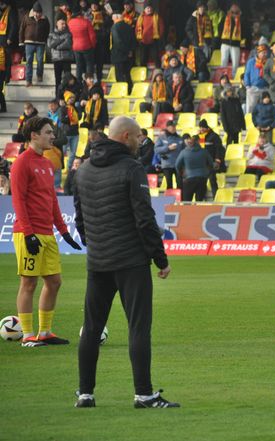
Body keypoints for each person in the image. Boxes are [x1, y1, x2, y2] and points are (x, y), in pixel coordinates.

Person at [74, 116, 179, 409]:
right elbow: (145, 219)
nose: (140, 142)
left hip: (98, 262)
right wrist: (161, 259)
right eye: (137, 137)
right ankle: (144, 394)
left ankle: (85, 394)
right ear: (124, 137)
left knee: (91, 328)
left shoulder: (82, 171)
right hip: (131, 262)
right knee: (138, 328)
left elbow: (79, 219)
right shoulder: (131, 169)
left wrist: (95, 246)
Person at [10, 116, 82, 348]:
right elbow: (18, 200)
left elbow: (52, 201)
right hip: (27, 232)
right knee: (28, 283)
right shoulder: (22, 162)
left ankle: (45, 332)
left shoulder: (47, 163)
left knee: (54, 281)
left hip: (47, 233)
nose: (53, 136)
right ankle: (28, 335)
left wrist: (64, 232)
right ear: (34, 136)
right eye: (48, 132)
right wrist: (29, 233)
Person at [19, 2, 49, 87]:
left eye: (40, 12)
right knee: (29, 61)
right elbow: (22, 29)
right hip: (29, 43)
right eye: (37, 12)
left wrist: (45, 40)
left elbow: (47, 30)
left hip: (40, 43)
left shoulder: (45, 19)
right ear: (34, 11)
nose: (38, 14)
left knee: (40, 60)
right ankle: (29, 80)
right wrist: (21, 41)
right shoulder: (27, 17)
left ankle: (39, 75)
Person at [175, 133, 213, 202]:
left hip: (189, 179)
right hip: (202, 178)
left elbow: (177, 165)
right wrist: (207, 173)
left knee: (187, 202)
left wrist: (181, 174)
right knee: (199, 201)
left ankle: (188, 213)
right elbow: (211, 164)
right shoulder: (204, 151)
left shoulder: (184, 152)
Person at [185, 1, 212, 81]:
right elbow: (187, 29)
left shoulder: (207, 17)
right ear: (198, 8)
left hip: (205, 42)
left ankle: (204, 74)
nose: (202, 9)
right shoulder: (193, 17)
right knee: (197, 60)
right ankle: (198, 75)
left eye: (203, 8)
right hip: (196, 43)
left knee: (205, 59)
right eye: (200, 8)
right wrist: (193, 38)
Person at [68, 4, 96, 82]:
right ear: (81, 13)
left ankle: (78, 81)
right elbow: (92, 36)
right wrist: (93, 45)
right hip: (86, 46)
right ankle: (89, 80)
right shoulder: (86, 22)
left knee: (79, 65)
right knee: (89, 64)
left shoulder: (70, 23)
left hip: (75, 47)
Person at [110, 10, 136, 94]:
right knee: (127, 74)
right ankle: (130, 90)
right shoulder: (128, 26)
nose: (112, 19)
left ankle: (122, 92)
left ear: (117, 17)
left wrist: (125, 51)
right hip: (128, 55)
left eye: (113, 18)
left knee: (119, 75)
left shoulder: (115, 27)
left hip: (119, 55)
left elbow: (117, 42)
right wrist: (130, 51)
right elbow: (133, 40)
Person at [154, 120, 184, 189]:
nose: (174, 128)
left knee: (180, 184)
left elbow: (183, 151)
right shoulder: (161, 137)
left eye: (174, 126)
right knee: (169, 184)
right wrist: (168, 148)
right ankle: (170, 199)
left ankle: (180, 199)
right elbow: (156, 150)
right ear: (167, 127)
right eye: (172, 127)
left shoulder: (179, 138)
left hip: (178, 165)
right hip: (167, 164)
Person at [197, 118, 225, 194]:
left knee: (212, 180)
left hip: (211, 162)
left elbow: (219, 149)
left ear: (207, 127)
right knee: (201, 182)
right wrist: (197, 136)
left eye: (203, 127)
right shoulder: (199, 136)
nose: (201, 129)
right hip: (201, 162)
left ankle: (215, 196)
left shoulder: (214, 136)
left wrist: (217, 159)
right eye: (200, 127)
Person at [48, 17, 73, 95]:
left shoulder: (68, 33)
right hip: (56, 59)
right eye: (62, 23)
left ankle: (68, 95)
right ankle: (58, 96)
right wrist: (61, 40)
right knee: (57, 79)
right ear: (57, 24)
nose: (64, 25)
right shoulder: (51, 34)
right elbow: (50, 44)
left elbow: (68, 44)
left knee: (68, 78)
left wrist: (57, 46)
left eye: (64, 23)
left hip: (66, 59)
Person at [135, 1, 164, 67]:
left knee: (156, 58)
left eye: (150, 8)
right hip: (143, 41)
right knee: (143, 59)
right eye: (147, 8)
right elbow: (137, 29)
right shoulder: (140, 18)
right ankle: (142, 73)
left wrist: (158, 37)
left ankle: (158, 72)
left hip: (154, 41)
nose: (149, 10)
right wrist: (139, 39)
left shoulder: (157, 17)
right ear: (144, 9)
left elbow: (161, 28)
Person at [244, 44, 269, 114]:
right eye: (263, 52)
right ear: (258, 53)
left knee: (265, 108)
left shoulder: (268, 61)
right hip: (253, 88)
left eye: (265, 52)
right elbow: (247, 74)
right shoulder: (251, 62)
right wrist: (247, 86)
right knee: (251, 107)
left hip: (265, 88)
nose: (264, 54)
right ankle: (249, 122)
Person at [220, 3, 243, 76]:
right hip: (225, 43)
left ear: (239, 11)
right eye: (232, 12)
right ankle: (223, 78)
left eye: (236, 12)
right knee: (223, 61)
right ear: (230, 11)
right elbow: (220, 28)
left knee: (235, 63)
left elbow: (246, 31)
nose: (234, 14)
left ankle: (234, 77)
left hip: (235, 44)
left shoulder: (242, 19)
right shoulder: (225, 18)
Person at [59, 91, 80, 171]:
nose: (72, 99)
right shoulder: (63, 109)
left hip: (75, 133)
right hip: (66, 133)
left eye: (73, 98)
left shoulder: (76, 108)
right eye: (70, 98)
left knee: (73, 153)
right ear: (66, 99)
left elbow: (80, 116)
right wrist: (70, 118)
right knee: (63, 151)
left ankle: (69, 168)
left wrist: (76, 116)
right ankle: (60, 168)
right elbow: (62, 119)